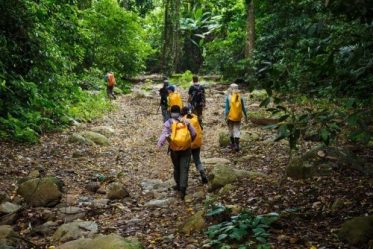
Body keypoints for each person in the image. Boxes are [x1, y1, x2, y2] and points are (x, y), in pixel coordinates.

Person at [157, 105, 196, 200]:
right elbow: (194, 133)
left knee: (177, 167)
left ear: (171, 113)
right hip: (186, 149)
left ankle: (178, 184)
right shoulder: (186, 121)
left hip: (174, 149)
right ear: (180, 112)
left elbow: (164, 134)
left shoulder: (168, 122)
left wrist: (159, 144)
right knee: (184, 168)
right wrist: (189, 141)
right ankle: (183, 189)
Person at [181, 107, 208, 184]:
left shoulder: (183, 120)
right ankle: (202, 173)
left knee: (186, 162)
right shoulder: (195, 117)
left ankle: (184, 181)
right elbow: (201, 129)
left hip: (188, 144)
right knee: (197, 160)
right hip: (197, 142)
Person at [224, 83, 248, 152]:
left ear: (231, 89)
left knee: (231, 130)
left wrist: (225, 117)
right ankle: (237, 145)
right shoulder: (240, 97)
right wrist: (246, 116)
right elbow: (243, 108)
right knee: (237, 130)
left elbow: (226, 109)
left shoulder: (228, 97)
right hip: (238, 117)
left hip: (230, 117)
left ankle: (232, 144)